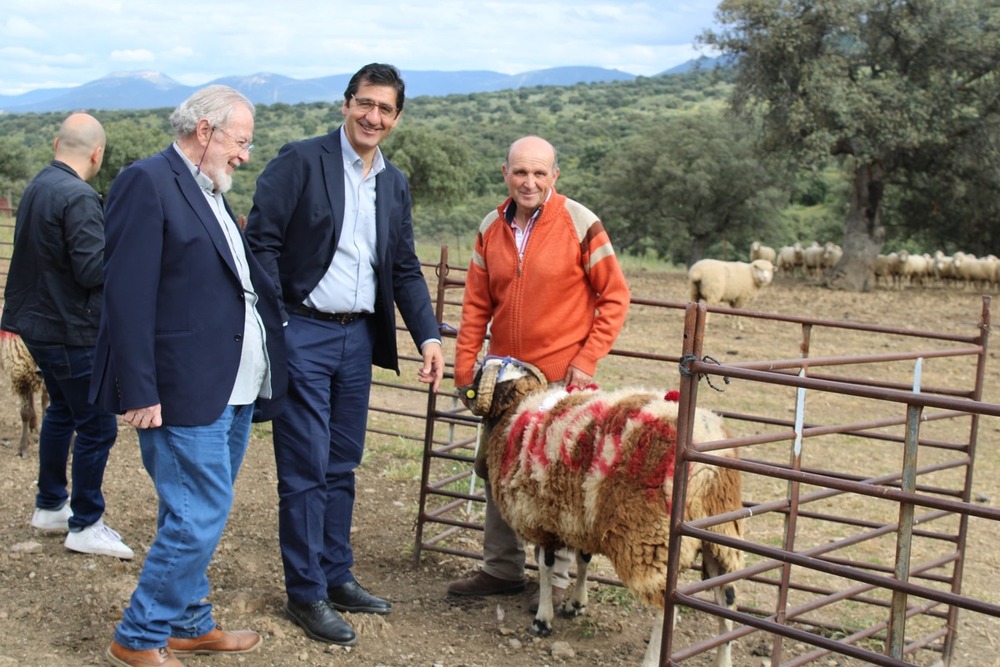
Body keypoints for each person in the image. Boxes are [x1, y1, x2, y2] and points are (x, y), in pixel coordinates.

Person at [246, 62, 444, 647]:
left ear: (397, 117)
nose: (373, 117)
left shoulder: (393, 182)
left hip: (357, 338)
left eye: (385, 109)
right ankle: (305, 593)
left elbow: (404, 267)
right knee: (304, 468)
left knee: (342, 462)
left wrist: (428, 337)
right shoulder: (300, 161)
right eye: (365, 104)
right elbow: (261, 241)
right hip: (301, 331)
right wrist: (277, 321)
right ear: (346, 103)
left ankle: (335, 574)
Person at [90, 85, 287, 667]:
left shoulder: (209, 190)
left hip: (232, 385)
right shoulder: (146, 182)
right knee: (198, 514)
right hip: (181, 388)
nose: (245, 156)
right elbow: (125, 296)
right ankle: (138, 634)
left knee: (195, 512)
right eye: (241, 141)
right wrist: (139, 388)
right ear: (205, 131)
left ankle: (189, 623)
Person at [447, 135, 630, 610]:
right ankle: (501, 569)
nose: (529, 182)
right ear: (504, 173)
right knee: (498, 470)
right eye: (520, 172)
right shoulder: (491, 226)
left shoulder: (581, 223)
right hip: (506, 380)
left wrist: (585, 361)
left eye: (539, 173)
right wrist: (465, 369)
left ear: (555, 176)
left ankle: (560, 582)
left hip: (563, 381)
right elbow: (475, 305)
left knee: (558, 478)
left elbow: (615, 297)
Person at [0, 112, 134, 560]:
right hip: (70, 330)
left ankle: (50, 503)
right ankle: (86, 522)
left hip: (35, 324)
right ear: (97, 154)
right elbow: (92, 269)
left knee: (62, 411)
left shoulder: (40, 184)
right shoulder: (78, 197)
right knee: (97, 425)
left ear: (57, 143)